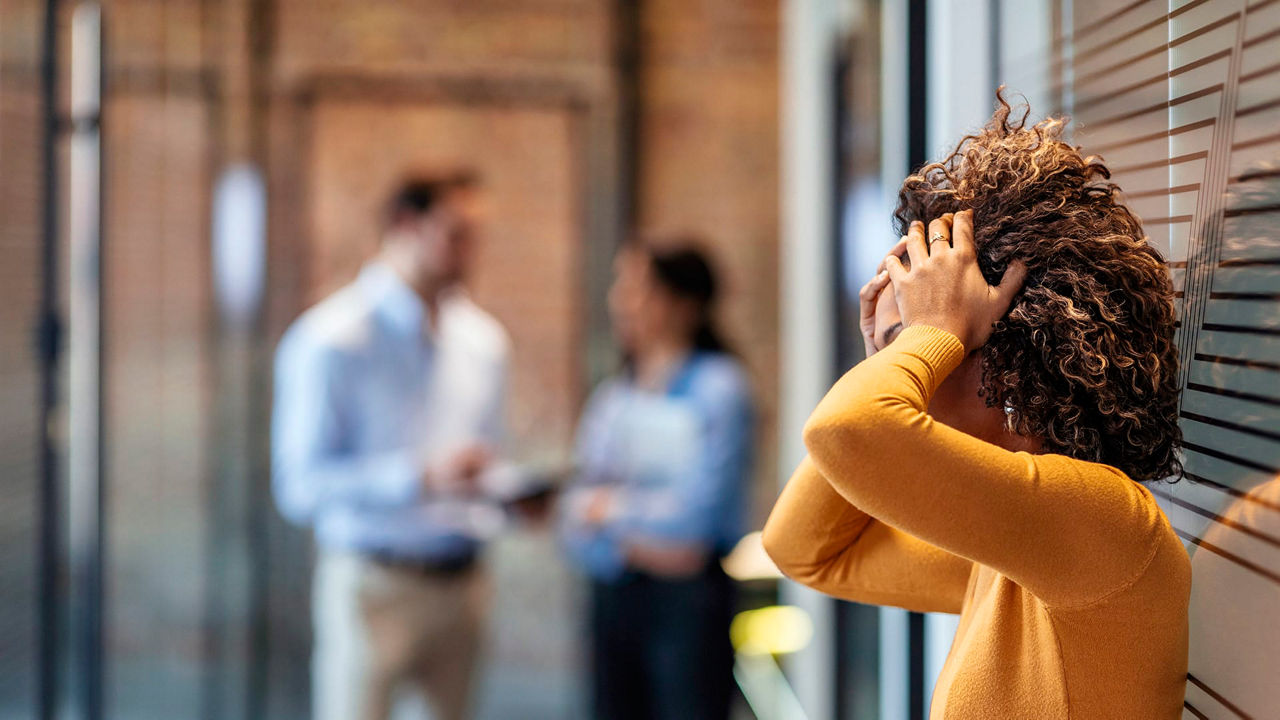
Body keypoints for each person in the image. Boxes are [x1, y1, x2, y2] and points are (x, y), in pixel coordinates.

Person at [762, 95, 1191, 719]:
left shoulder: (1103, 524)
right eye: (897, 354)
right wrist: (893, 354)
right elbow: (804, 548)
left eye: (923, 345)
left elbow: (848, 429)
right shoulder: (1017, 541)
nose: (906, 372)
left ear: (1002, 352)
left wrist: (920, 338)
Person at [272, 173, 510, 720]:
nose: (469, 252)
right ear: (405, 225)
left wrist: (509, 496)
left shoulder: (483, 341)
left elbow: (485, 460)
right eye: (455, 233)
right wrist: (416, 477)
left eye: (476, 236)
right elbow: (299, 486)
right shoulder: (330, 340)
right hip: (373, 588)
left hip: (463, 585)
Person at [561, 241, 755, 720]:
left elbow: (700, 519)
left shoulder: (720, 389)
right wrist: (641, 544)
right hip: (617, 596)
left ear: (682, 304)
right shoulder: (614, 398)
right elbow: (571, 516)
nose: (621, 303)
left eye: (638, 290)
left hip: (690, 607)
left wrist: (610, 512)